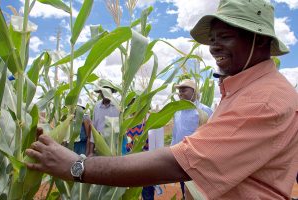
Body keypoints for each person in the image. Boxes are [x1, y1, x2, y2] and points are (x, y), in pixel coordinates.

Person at [26, 0, 298, 199]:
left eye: (225, 37)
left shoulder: (263, 100)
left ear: (261, 41)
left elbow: (178, 163)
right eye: (212, 39)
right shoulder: (247, 90)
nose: (214, 46)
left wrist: (77, 166)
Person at [171, 79, 213, 199]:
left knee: (197, 192)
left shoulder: (204, 111)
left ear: (194, 92)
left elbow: (211, 135)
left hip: (197, 161)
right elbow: (175, 134)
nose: (180, 93)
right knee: (184, 188)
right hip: (180, 158)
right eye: (179, 91)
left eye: (184, 90)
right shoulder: (177, 112)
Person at [88, 87, 119, 156]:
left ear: (111, 93)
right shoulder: (97, 106)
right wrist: (91, 152)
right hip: (100, 146)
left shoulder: (118, 106)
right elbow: (94, 128)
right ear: (100, 93)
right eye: (104, 92)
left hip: (115, 147)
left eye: (108, 92)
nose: (106, 94)